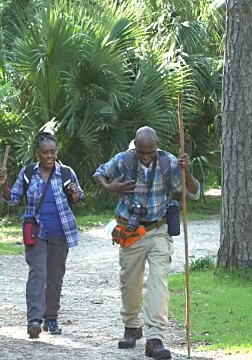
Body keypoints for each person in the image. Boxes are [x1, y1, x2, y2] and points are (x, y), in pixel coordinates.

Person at [93, 126, 200, 359]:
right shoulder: (124, 160)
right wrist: (110, 186)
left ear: (157, 146)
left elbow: (193, 193)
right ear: (136, 147)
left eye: (151, 152)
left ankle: (155, 338)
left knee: (157, 282)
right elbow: (99, 173)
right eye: (143, 152)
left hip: (158, 229)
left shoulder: (168, 162)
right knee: (129, 283)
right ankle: (132, 326)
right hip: (131, 231)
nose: (147, 157)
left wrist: (186, 171)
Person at [0, 131, 84, 339]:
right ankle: (34, 320)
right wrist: (4, 185)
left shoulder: (66, 172)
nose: (49, 156)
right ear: (37, 153)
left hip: (60, 232)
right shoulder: (28, 173)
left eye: (52, 152)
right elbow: (14, 199)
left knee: (55, 276)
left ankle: (51, 318)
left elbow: (78, 196)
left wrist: (74, 193)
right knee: (38, 273)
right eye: (45, 152)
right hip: (36, 232)